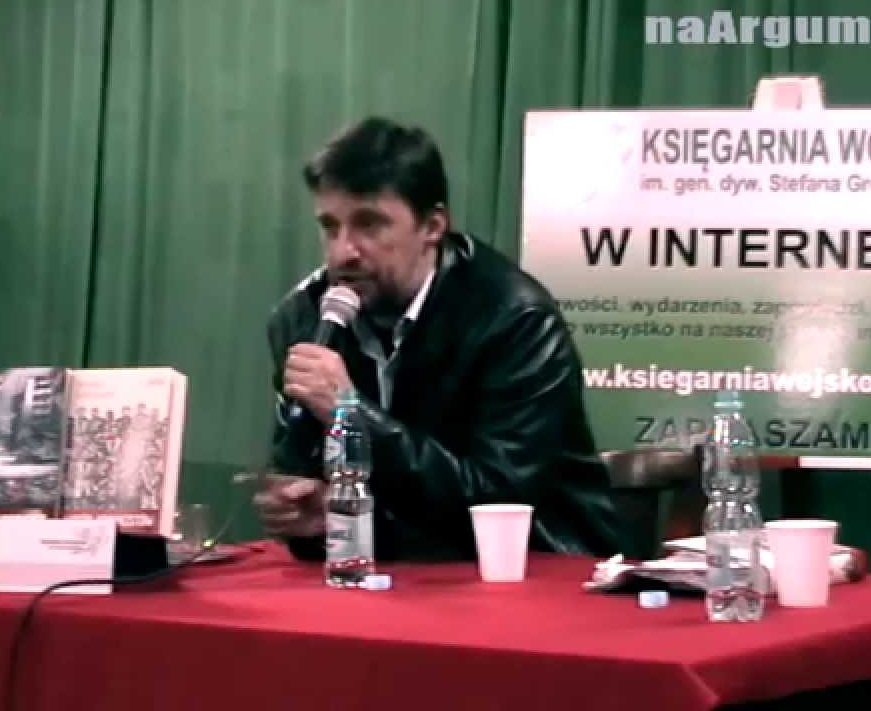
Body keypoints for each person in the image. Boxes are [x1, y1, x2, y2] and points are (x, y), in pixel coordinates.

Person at [255, 116, 623, 561]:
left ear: (432, 226)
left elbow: (498, 500)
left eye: (369, 225)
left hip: (531, 567)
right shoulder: (303, 319)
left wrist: (351, 413)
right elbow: (298, 471)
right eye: (330, 227)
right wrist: (303, 510)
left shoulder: (515, 318)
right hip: (386, 566)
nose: (342, 252)